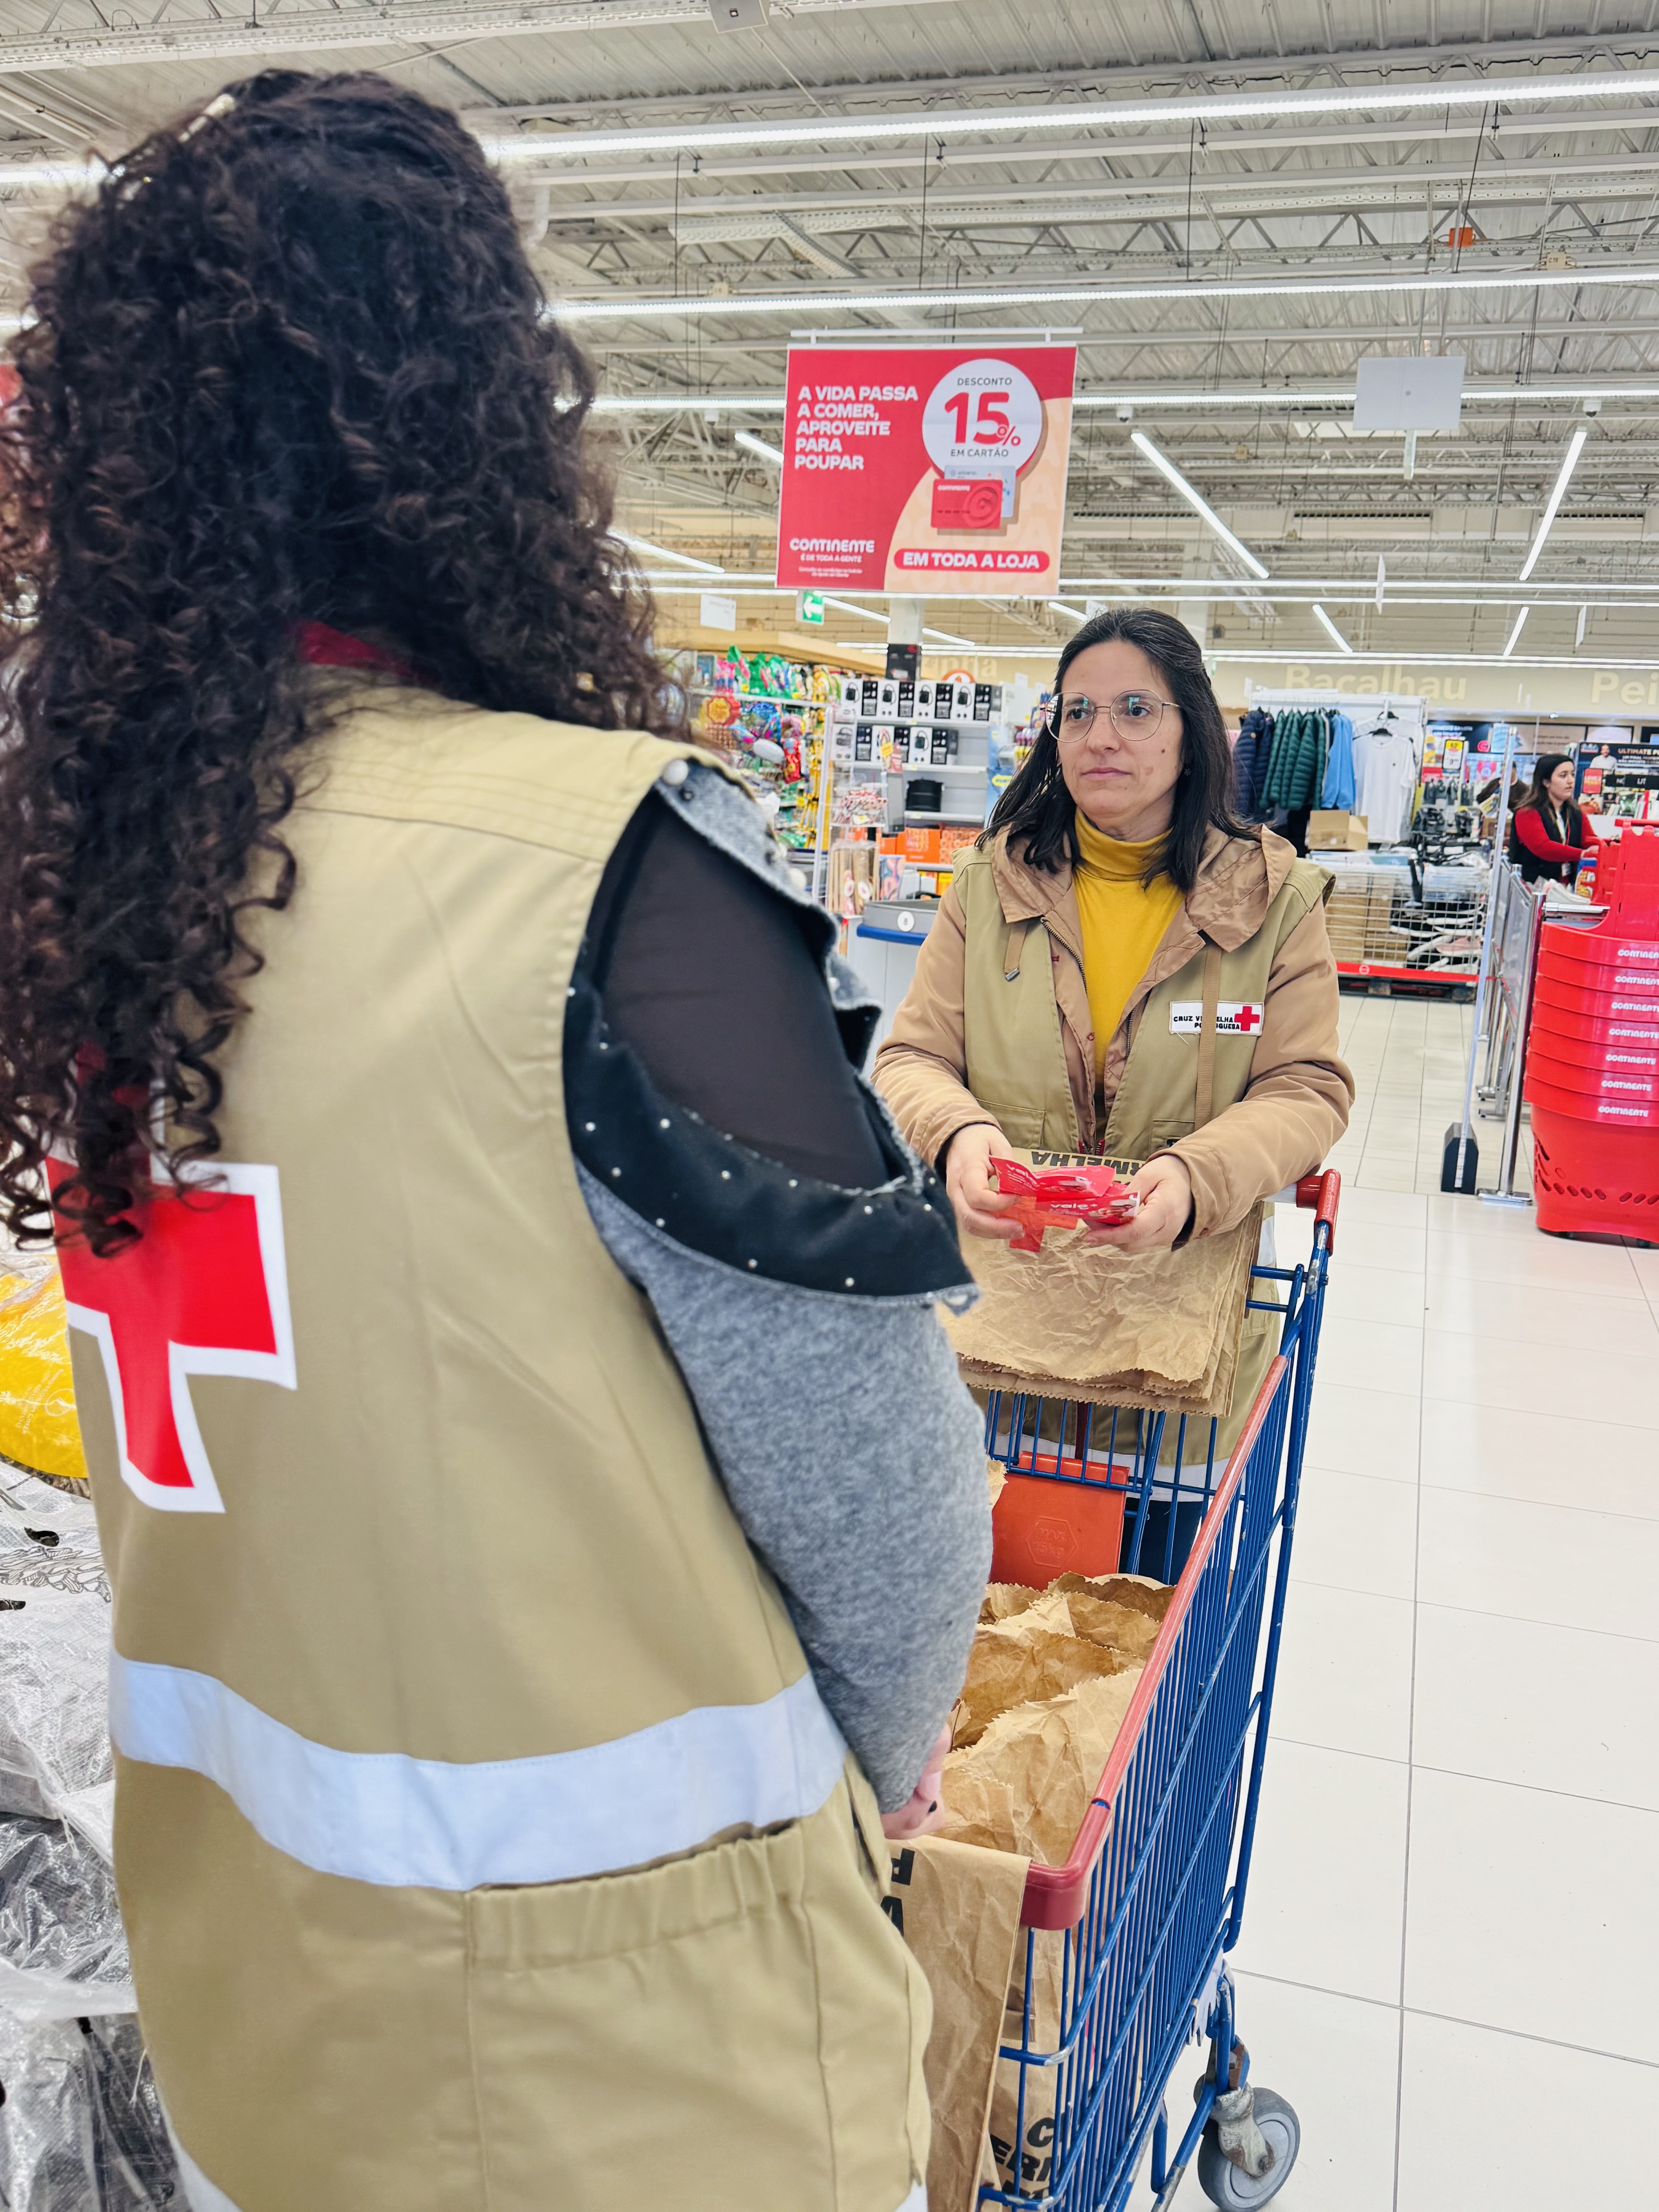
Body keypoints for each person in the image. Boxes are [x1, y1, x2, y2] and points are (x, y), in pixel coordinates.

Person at [0, 73, 989, 2212]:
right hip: (636, 2067)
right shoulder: (618, 873)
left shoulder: (95, 897)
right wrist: (887, 1784)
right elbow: (881, 1495)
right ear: (474, 429)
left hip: (262, 2027)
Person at [873, 606, 1353, 1470]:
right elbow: (913, 1058)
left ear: (1190, 732)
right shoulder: (988, 885)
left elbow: (1305, 1088)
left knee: (1156, 1554)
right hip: (996, 1352)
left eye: (1135, 710)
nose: (1101, 736)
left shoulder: (1272, 901)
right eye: (1078, 711)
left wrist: (1195, 1177)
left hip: (1172, 1364)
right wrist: (957, 1132)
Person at [1511, 752, 1594, 884]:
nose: (1571, 780)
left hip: (1568, 887)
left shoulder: (1576, 812)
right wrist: (1582, 854)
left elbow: (1590, 841)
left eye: (1572, 774)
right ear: (1546, 782)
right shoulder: (1527, 813)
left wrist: (1605, 847)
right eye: (1563, 776)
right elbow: (1543, 848)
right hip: (1532, 888)